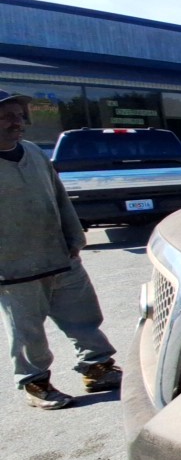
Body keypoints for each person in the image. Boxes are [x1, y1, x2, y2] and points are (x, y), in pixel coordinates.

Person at [0, 90, 120, 409]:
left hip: (61, 257)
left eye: (20, 115)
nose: (18, 122)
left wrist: (75, 238)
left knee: (85, 317)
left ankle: (97, 369)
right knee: (28, 334)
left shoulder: (34, 153)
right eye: (8, 116)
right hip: (14, 269)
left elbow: (59, 195)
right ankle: (34, 384)